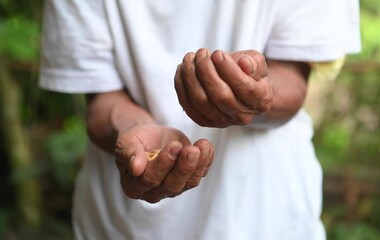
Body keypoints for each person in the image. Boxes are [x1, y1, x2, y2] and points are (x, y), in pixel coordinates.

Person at [39, 0, 360, 239]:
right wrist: (133, 131)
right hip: (121, 226)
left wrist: (255, 92)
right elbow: (101, 100)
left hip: (264, 217)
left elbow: (291, 79)